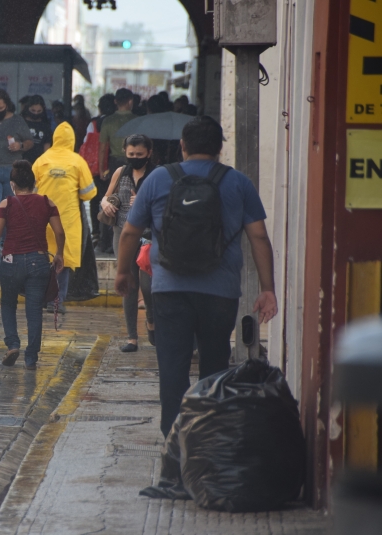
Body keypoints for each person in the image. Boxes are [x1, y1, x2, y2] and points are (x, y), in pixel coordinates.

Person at [115, 116, 278, 437]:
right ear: (220, 148)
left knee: (173, 369)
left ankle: (175, 444)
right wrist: (267, 288)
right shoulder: (238, 182)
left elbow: (130, 232)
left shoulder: (159, 178)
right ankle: (208, 439)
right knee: (215, 366)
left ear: (182, 146)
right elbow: (259, 237)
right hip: (220, 292)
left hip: (169, 289)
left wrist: (123, 273)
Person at [0, 160, 65, 370]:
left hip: (11, 261)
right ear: (34, 182)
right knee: (34, 310)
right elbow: (59, 232)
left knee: (8, 303)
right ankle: (31, 358)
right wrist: (59, 254)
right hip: (39, 261)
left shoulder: (6, 204)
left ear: (13, 184)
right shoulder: (48, 203)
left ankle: (13, 344)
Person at [33, 122, 97, 313]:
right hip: (67, 219)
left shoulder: (41, 160)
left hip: (43, 218)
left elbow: (32, 190)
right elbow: (89, 193)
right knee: (64, 260)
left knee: (44, 258)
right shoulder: (78, 162)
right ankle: (57, 302)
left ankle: (41, 299)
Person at [100, 134, 156, 351]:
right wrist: (105, 204)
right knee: (128, 284)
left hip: (148, 235)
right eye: (131, 154)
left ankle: (151, 321)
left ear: (149, 154)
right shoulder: (121, 172)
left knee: (148, 286)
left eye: (139, 155)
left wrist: (143, 202)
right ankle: (132, 337)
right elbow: (106, 196)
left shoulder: (156, 175)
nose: (135, 158)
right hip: (122, 233)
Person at [83, 94, 116, 252]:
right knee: (112, 199)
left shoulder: (94, 123)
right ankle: (109, 235)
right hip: (114, 165)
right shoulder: (116, 122)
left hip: (97, 168)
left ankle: (96, 233)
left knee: (95, 200)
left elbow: (86, 143)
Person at [98, 88, 135, 183]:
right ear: (130, 102)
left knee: (116, 191)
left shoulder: (108, 121)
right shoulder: (137, 121)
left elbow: (102, 148)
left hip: (115, 163)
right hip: (134, 161)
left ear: (115, 101)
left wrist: (101, 169)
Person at [21, 95, 52, 164]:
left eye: (39, 111)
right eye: (33, 110)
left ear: (43, 110)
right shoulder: (21, 122)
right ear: (27, 108)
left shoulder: (45, 125)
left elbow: (47, 147)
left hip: (39, 163)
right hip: (22, 161)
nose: (36, 113)